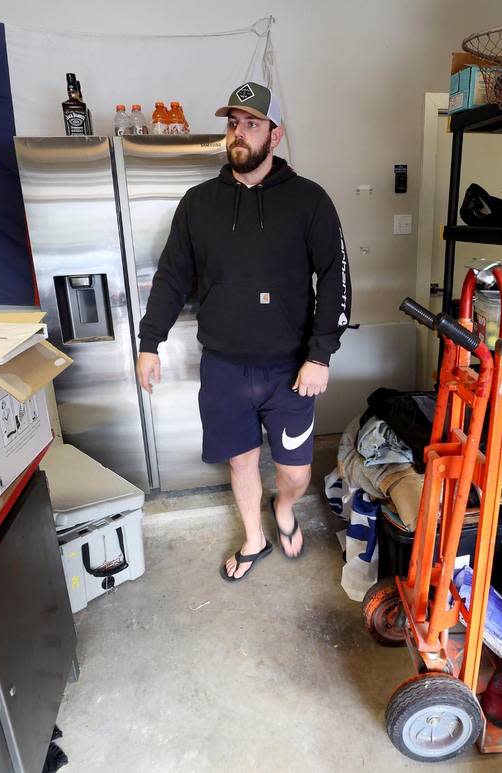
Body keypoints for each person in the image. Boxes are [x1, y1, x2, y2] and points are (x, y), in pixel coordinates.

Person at [136, 81, 351, 582]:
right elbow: (171, 276)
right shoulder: (198, 203)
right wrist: (150, 343)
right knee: (241, 463)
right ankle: (255, 540)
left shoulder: (309, 200)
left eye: (252, 124)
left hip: (291, 368)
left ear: (274, 136)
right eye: (233, 122)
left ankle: (284, 507)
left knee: (296, 472)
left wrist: (320, 355)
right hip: (225, 365)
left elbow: (336, 274)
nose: (239, 133)